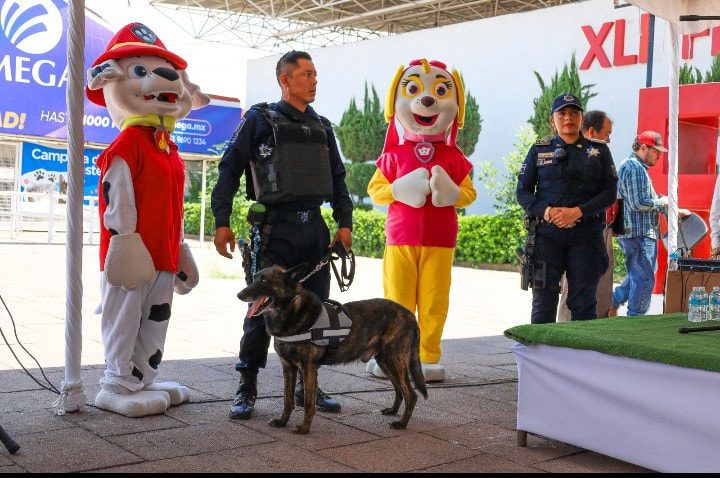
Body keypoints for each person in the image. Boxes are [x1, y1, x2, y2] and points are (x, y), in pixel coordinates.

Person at [211, 50, 353, 420]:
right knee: (261, 310)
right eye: (306, 74)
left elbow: (338, 178)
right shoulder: (258, 119)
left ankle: (310, 384)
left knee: (317, 311)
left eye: (315, 74)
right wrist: (221, 220)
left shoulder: (322, 126)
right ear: (284, 80)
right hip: (275, 232)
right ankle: (247, 384)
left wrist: (345, 222)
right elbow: (229, 169)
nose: (314, 80)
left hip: (314, 232)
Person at [516, 94, 617, 324]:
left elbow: (609, 194)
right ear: (553, 120)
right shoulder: (538, 151)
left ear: (582, 119)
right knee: (543, 303)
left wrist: (578, 212)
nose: (568, 118)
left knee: (583, 304)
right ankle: (540, 357)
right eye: (561, 113)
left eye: (574, 113)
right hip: (545, 237)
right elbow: (522, 192)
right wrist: (547, 212)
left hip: (586, 236)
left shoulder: (599, 151)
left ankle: (580, 359)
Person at [609, 131, 690, 317]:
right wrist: (664, 203)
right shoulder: (635, 168)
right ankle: (635, 319)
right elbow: (639, 202)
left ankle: (614, 301)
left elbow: (646, 199)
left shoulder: (634, 166)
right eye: (656, 151)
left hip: (636, 232)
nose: (660, 155)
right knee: (644, 278)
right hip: (639, 233)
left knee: (640, 274)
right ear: (643, 148)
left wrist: (673, 207)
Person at [557, 110, 615, 322]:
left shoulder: (601, 156)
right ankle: (565, 331)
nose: (609, 139)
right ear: (592, 131)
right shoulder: (576, 157)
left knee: (596, 288)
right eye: (606, 133)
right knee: (575, 287)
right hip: (581, 232)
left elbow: (610, 192)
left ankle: (591, 331)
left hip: (601, 229)